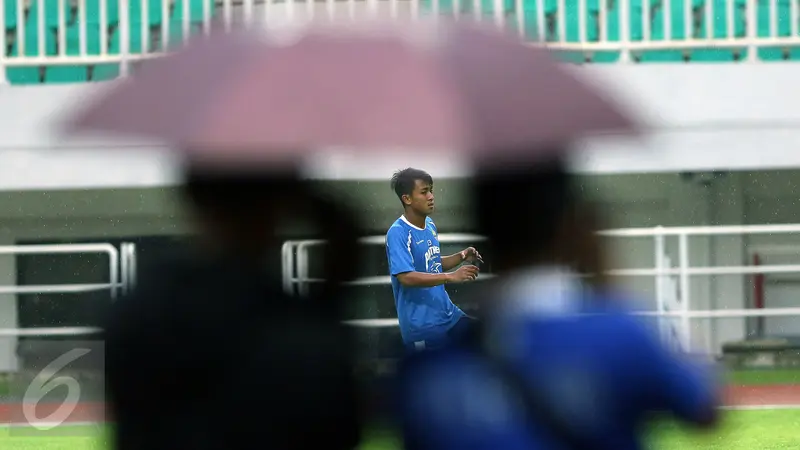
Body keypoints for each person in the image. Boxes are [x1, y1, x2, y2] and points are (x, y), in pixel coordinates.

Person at [395, 157, 720, 450]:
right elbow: (703, 409)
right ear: (573, 226)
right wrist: (608, 287)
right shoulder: (620, 337)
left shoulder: (422, 373)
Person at [103, 166, 363, 450]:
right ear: (284, 204)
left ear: (192, 196)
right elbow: (337, 424)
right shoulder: (298, 333)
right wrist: (333, 292)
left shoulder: (142, 313)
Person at [386, 167, 483, 352]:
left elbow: (433, 264)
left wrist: (462, 256)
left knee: (485, 342)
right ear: (407, 198)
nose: (431, 196)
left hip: (449, 316)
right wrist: (451, 277)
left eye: (431, 190)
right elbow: (406, 277)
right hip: (423, 328)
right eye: (424, 192)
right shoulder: (398, 232)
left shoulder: (429, 224)